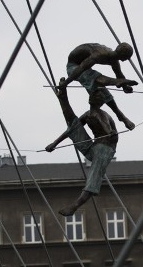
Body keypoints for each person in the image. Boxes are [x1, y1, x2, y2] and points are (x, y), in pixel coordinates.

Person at [45, 84, 119, 216]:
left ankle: (75, 206)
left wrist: (111, 132)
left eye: (96, 95)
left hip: (105, 149)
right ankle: (63, 98)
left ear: (101, 101)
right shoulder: (88, 114)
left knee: (93, 176)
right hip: (93, 148)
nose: (92, 96)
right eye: (92, 94)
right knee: (74, 124)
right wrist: (54, 143)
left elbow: (107, 129)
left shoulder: (103, 115)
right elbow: (72, 129)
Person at [58, 42, 138, 131]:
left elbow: (119, 74)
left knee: (100, 88)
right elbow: (81, 68)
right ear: (122, 54)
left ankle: (120, 116)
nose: (127, 60)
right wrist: (65, 83)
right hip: (73, 67)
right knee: (94, 79)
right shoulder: (99, 54)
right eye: (127, 57)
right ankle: (120, 114)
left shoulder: (114, 60)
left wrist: (125, 87)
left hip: (85, 68)